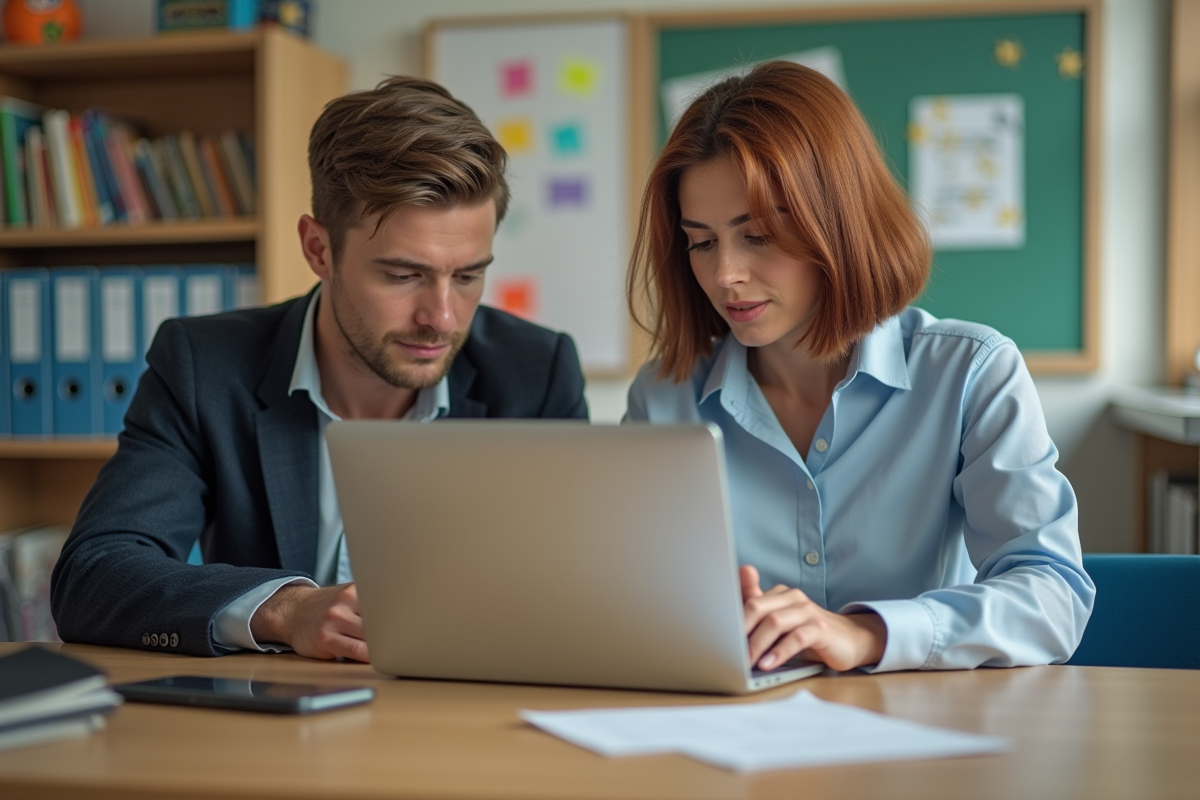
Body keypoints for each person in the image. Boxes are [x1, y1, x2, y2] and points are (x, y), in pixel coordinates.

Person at [51, 77, 588, 662]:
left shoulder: (536, 372)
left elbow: (581, 590)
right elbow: (94, 576)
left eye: (467, 276)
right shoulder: (203, 365)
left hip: (467, 729)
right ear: (318, 249)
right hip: (277, 734)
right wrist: (284, 609)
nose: (440, 317)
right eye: (403, 275)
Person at [624, 61, 1093, 674]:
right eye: (702, 242)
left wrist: (868, 634)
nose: (724, 275)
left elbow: (1052, 598)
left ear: (839, 226)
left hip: (917, 737)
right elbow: (630, 601)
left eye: (758, 235)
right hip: (734, 738)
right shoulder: (663, 398)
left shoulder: (972, 374)